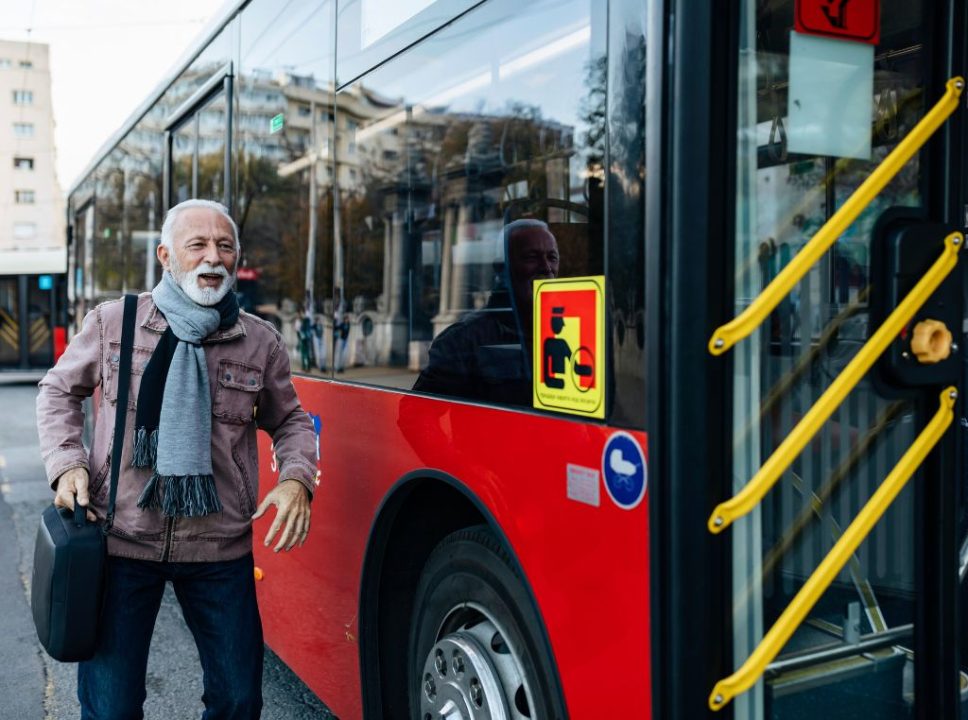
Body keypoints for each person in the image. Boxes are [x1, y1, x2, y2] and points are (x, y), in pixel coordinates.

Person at [36, 198, 318, 719]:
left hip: (219, 549)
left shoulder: (260, 341)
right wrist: (68, 461)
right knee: (112, 706)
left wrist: (297, 479)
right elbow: (57, 391)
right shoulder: (114, 322)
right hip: (121, 543)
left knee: (238, 700)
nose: (214, 257)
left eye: (225, 246)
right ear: (166, 256)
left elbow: (292, 421)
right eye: (198, 245)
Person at [413, 218, 560, 405]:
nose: (546, 268)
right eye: (531, 257)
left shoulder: (570, 331)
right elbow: (416, 415)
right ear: (501, 268)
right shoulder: (463, 340)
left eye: (552, 258)